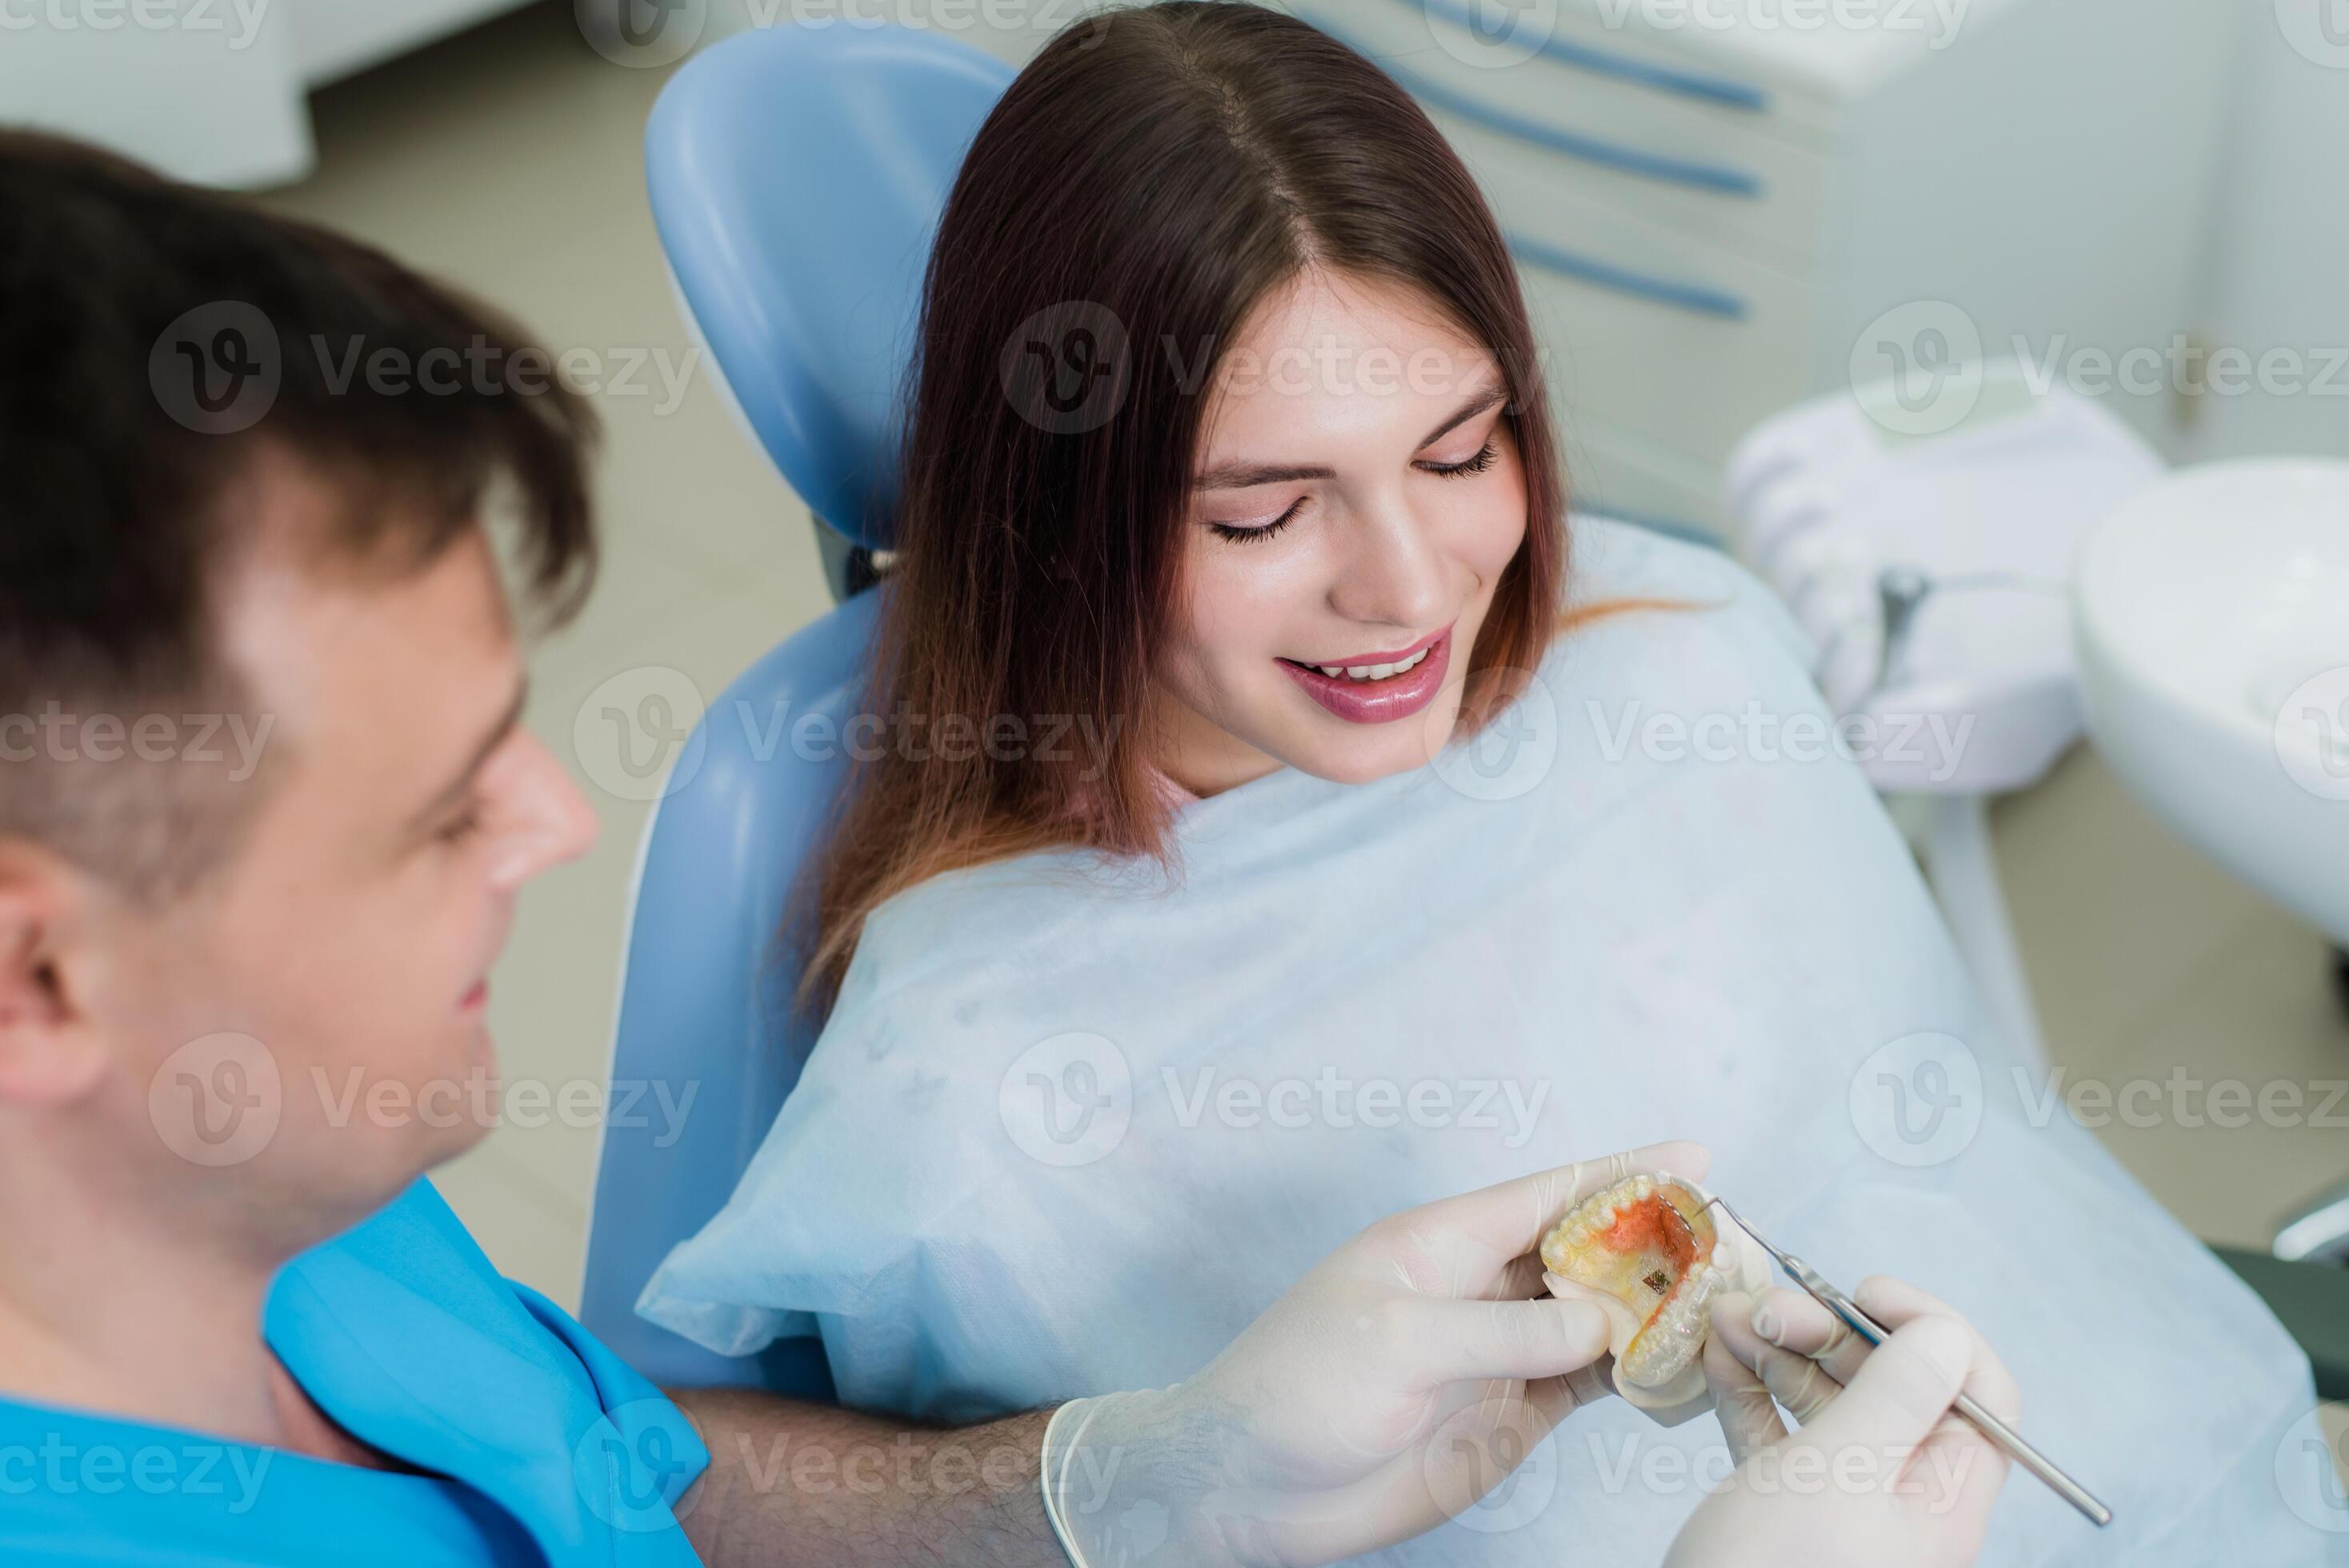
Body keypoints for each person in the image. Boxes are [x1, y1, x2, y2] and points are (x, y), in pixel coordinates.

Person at [0, 127, 2023, 1567]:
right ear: (38, 970)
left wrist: (1134, 1483)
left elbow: (610, 1471)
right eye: (442, 802)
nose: (555, 818)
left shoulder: (288, 1200)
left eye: (1456, 444)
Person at [636, 5, 2321, 1563]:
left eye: (1459, 449)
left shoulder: (1680, 656)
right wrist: (1138, 1472)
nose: (1413, 585)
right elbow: (661, 1481)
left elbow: (1950, 1150)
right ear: (1058, 514)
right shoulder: (974, 1083)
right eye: (1259, 510)